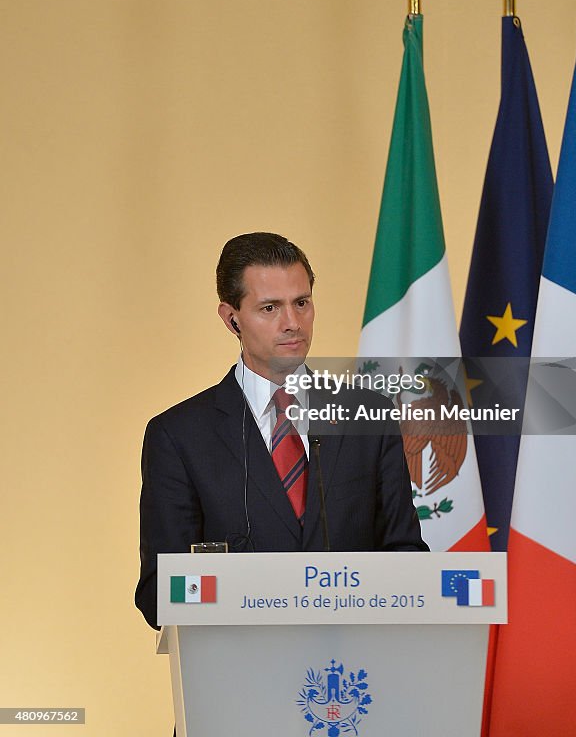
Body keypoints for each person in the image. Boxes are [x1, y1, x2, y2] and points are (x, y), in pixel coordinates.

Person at [135, 232, 427, 628]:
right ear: (231, 318)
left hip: (358, 669)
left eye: (301, 303)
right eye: (270, 307)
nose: (292, 323)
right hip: (240, 670)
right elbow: (158, 593)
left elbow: (406, 555)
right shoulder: (179, 436)